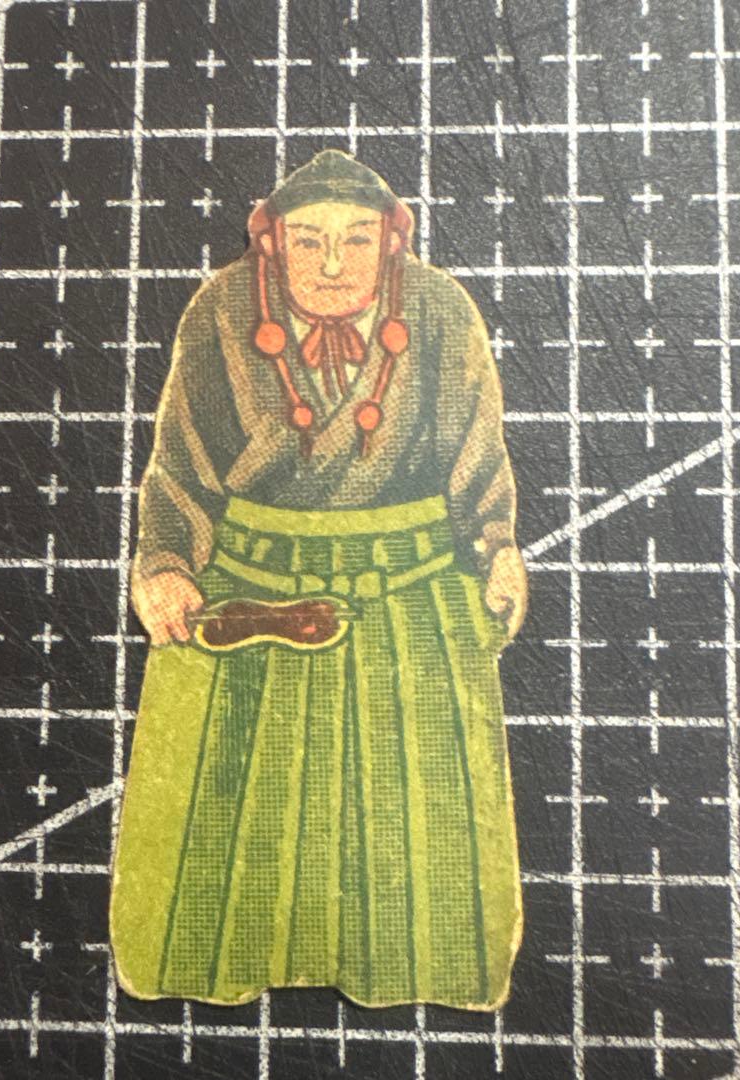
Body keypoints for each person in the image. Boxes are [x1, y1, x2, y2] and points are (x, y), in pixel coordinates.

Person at [109, 149, 528, 1011]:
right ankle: (210, 965)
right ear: (273, 242)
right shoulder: (222, 309)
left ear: (391, 241)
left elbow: (479, 456)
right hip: (250, 594)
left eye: (356, 240)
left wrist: (497, 549)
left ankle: (422, 971)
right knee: (232, 816)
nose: (333, 265)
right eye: (308, 242)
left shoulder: (442, 311)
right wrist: (165, 563)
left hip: (407, 597)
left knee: (413, 821)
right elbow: (180, 461)